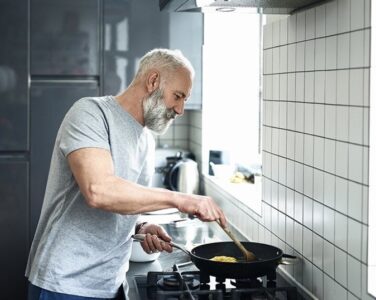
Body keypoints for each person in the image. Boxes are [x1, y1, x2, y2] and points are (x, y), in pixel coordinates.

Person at [26, 48, 227, 300]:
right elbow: (99, 191)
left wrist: (141, 225)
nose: (180, 109)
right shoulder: (91, 113)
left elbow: (122, 202)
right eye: (178, 96)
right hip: (65, 282)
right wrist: (181, 198)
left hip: (109, 282)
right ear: (153, 81)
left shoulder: (146, 140)